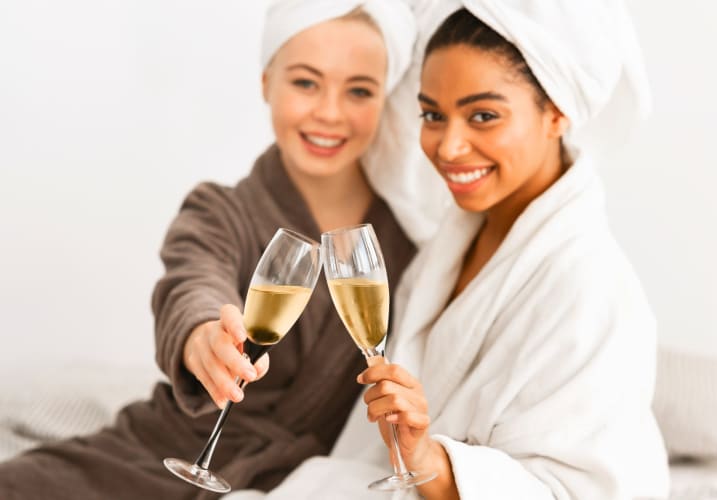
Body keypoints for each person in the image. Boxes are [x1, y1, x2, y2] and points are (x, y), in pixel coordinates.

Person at [0, 1, 445, 498]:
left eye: (359, 90)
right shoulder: (219, 210)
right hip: (165, 452)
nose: (329, 112)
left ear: (386, 100)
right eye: (305, 82)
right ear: (265, 83)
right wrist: (204, 338)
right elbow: (191, 282)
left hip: (301, 478)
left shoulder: (410, 240)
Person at [242, 2, 671, 499]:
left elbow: (576, 490)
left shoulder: (591, 287)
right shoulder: (453, 238)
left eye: (483, 116)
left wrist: (428, 459)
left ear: (556, 112)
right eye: (432, 115)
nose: (447, 147)